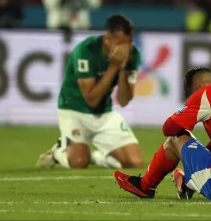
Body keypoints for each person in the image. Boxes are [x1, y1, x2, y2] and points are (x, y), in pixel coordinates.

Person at [113, 67, 211, 201]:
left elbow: (169, 128)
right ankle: (186, 183)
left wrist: (189, 110)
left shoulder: (206, 94)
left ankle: (145, 186)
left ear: (198, 87)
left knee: (175, 138)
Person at [36, 14, 144, 169]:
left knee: (134, 162)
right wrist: (113, 66)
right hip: (74, 110)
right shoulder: (86, 51)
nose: (125, 49)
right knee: (79, 162)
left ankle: (96, 157)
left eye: (128, 43)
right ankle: (58, 151)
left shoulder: (133, 55)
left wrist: (122, 69)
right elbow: (91, 100)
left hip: (104, 113)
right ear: (108, 39)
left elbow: (123, 100)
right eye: (120, 43)